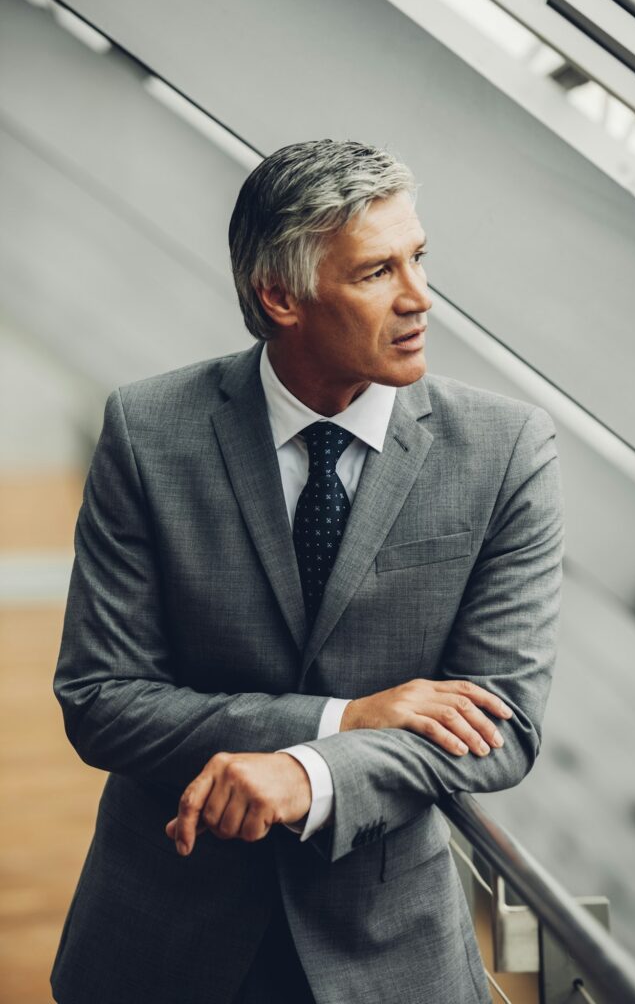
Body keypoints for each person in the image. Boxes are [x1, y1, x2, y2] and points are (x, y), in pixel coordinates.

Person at [51, 138, 564, 1004]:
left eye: (419, 258)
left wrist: (313, 772)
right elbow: (100, 701)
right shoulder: (148, 431)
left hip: (388, 950)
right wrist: (341, 717)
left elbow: (502, 721)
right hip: (161, 940)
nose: (419, 298)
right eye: (376, 273)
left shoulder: (506, 450)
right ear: (279, 295)